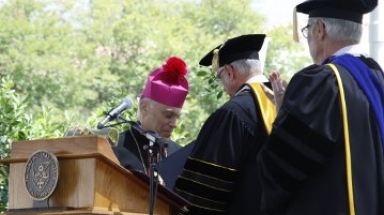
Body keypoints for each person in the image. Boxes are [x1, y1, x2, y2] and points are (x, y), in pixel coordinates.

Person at [257, 0, 384, 214]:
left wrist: (282, 117)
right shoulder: (376, 78)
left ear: (320, 29)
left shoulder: (322, 83)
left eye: (308, 31)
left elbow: (280, 168)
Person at [174, 34, 276, 215]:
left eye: (220, 78)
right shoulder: (284, 104)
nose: (223, 87)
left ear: (230, 71)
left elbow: (203, 191)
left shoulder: (233, 113)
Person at [113, 56, 189, 175]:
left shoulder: (179, 155)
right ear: (144, 108)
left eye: (177, 117)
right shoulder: (115, 149)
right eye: (168, 115)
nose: (174, 124)